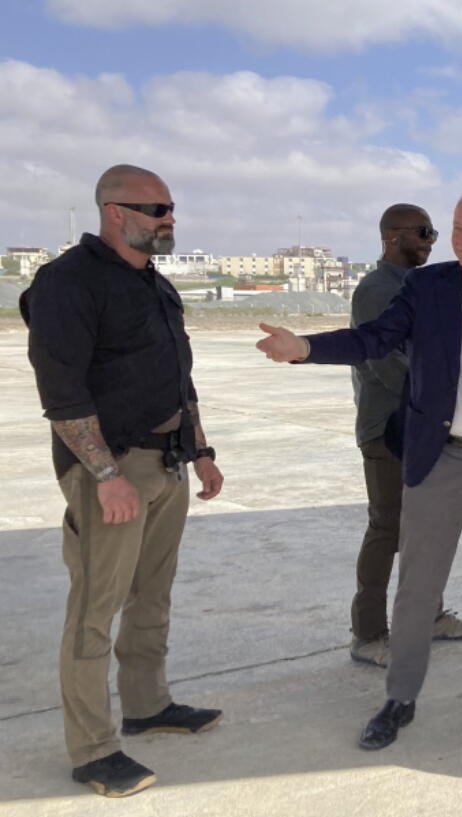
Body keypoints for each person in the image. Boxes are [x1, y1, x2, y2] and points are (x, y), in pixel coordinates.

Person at [256, 185, 462, 751]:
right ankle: (400, 698)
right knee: (419, 587)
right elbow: (373, 339)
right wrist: (306, 349)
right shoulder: (427, 286)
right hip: (440, 458)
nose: (460, 238)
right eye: (456, 227)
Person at [20, 164, 225, 798]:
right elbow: (62, 390)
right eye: (157, 209)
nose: (170, 219)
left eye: (171, 208)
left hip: (167, 461)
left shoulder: (153, 284)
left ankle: (147, 705)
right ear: (116, 212)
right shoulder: (67, 283)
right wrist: (105, 475)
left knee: (151, 595)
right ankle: (93, 751)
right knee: (93, 609)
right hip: (112, 470)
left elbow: (177, 375)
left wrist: (200, 451)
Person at [348, 203, 462, 667]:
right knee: (387, 528)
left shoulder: (419, 288)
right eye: (423, 232)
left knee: (430, 528)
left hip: (426, 427)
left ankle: (432, 614)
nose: (430, 240)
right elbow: (381, 361)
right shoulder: (375, 290)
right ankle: (368, 633)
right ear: (392, 235)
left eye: (432, 232)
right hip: (389, 429)